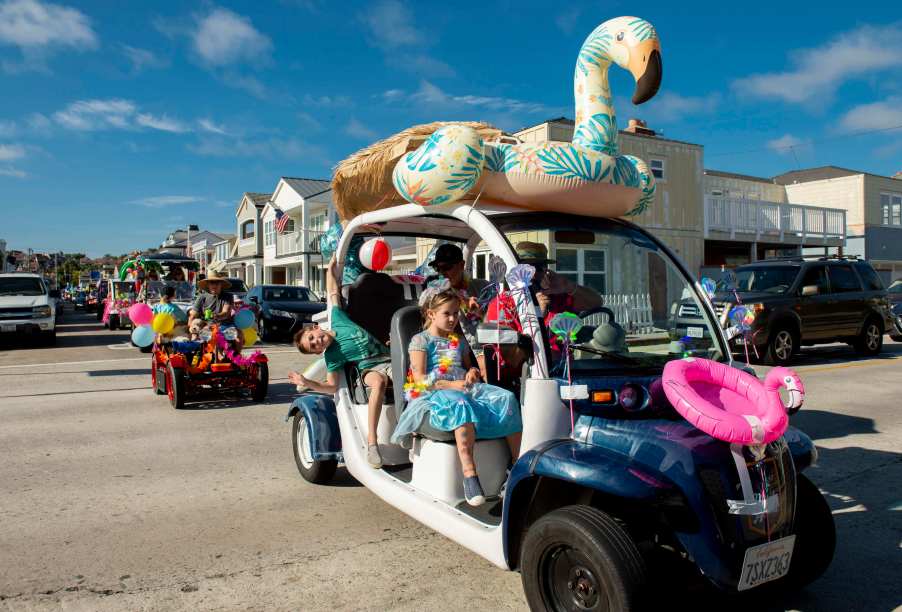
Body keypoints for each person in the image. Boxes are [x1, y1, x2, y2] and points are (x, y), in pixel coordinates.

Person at [391, 287, 522, 507]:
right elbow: (421, 379)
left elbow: (469, 368)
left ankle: (516, 467)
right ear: (431, 314)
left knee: (507, 397)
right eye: (447, 314)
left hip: (464, 387)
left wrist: (472, 373)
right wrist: (453, 385)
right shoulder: (420, 341)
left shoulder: (458, 340)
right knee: (460, 404)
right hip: (435, 392)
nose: (453, 319)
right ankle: (470, 475)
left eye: (455, 313)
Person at [290, 258, 391, 469]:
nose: (317, 342)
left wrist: (331, 267)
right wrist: (308, 382)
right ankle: (372, 443)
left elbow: (333, 290)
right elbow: (332, 386)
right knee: (379, 382)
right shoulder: (332, 357)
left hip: (390, 358)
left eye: (312, 338)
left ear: (315, 328)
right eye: (313, 347)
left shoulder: (337, 318)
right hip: (368, 369)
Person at [486, 241, 602, 353]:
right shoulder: (503, 304)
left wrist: (568, 286)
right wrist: (536, 316)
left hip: (565, 370)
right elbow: (509, 356)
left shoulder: (556, 298)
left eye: (540, 267)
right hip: (529, 372)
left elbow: (596, 302)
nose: (534, 274)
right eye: (528, 268)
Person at [428, 243, 489, 376]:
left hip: (489, 344)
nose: (442, 273)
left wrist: (482, 313)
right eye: (438, 268)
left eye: (447, 267)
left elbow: (498, 318)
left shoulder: (483, 287)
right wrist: (463, 300)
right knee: (486, 365)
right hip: (454, 348)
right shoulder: (437, 293)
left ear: (461, 265)